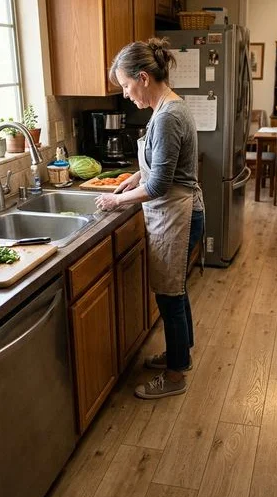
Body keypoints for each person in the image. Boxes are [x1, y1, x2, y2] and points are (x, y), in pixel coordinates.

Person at [95, 38, 204, 400]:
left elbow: (159, 185)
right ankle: (180, 355)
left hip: (177, 215)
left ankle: (175, 376)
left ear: (143, 78)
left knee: (170, 296)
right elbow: (160, 168)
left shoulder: (168, 116)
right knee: (175, 291)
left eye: (126, 86)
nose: (126, 95)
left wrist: (116, 200)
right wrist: (135, 176)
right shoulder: (169, 107)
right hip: (177, 212)